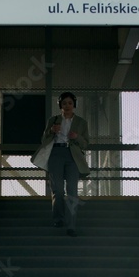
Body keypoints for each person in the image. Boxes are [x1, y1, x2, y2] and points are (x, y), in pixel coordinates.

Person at [40, 91, 90, 236]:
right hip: (56, 154)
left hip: (72, 155)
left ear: (74, 104)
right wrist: (51, 130)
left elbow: (85, 143)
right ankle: (58, 219)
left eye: (69, 103)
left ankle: (71, 225)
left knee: (72, 190)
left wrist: (77, 137)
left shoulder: (81, 122)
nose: (67, 106)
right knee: (58, 190)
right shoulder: (53, 120)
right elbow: (43, 140)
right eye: (64, 103)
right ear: (60, 105)